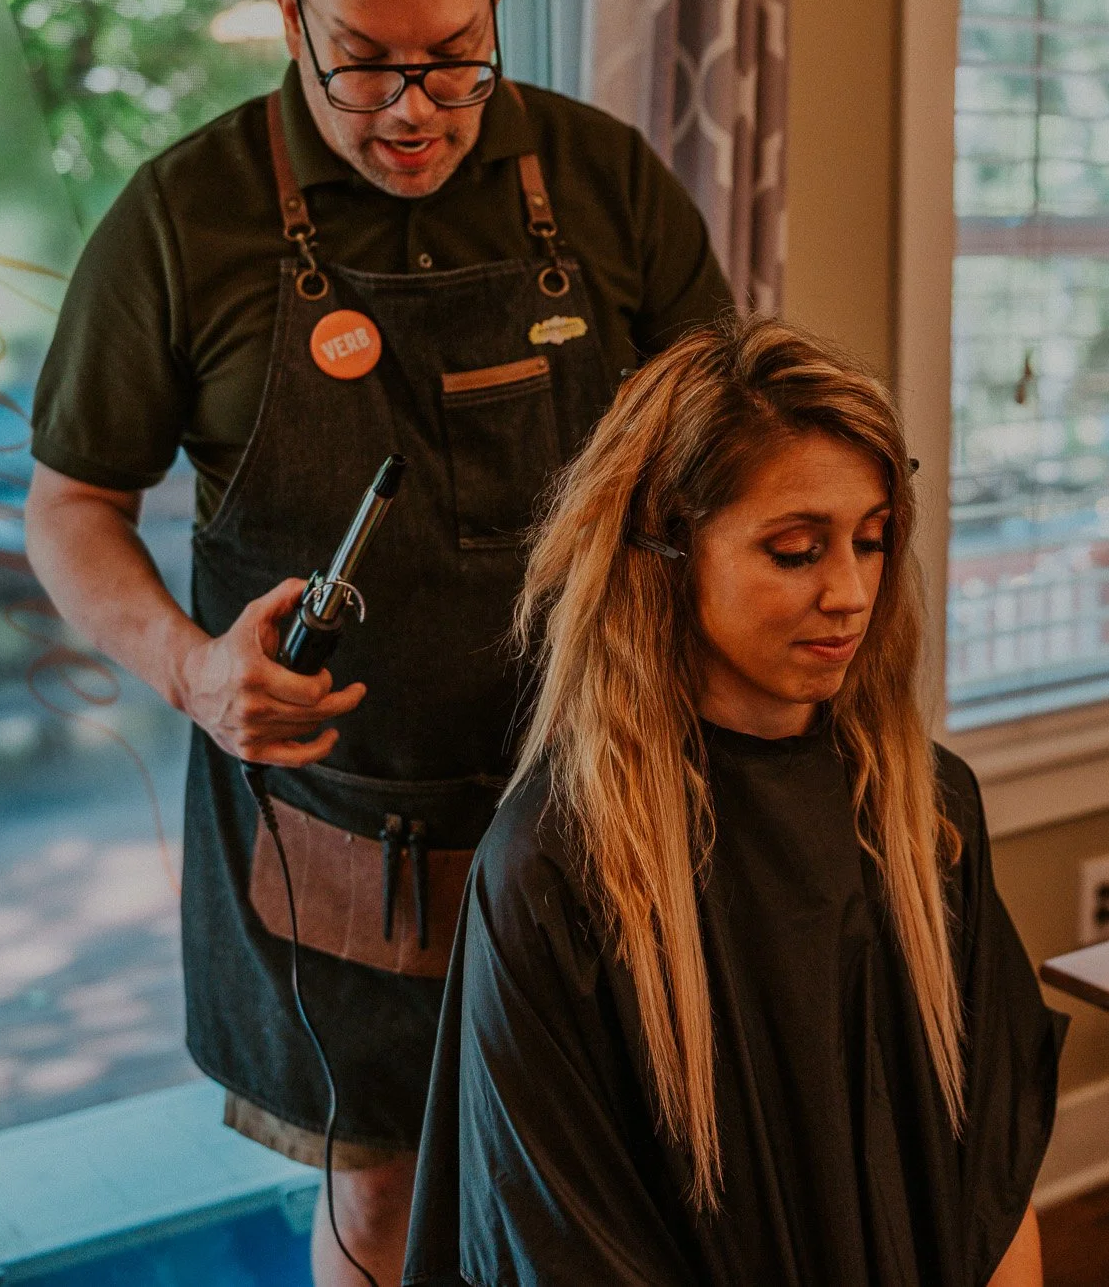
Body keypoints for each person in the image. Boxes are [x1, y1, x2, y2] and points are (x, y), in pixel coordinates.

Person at [21, 0, 732, 1280]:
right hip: (341, 846)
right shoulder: (186, 217)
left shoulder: (602, 182)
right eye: (362, 65)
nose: (411, 110)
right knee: (383, 1203)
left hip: (597, 807)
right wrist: (190, 669)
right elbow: (66, 508)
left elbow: (723, 449)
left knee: (617, 1184)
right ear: (290, 9)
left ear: (500, 0)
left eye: (454, 60)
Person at [404, 317, 1067, 1286]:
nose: (849, 591)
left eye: (872, 541)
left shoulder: (923, 812)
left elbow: (993, 1191)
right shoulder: (556, 861)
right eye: (795, 551)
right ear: (664, 552)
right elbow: (560, 1246)